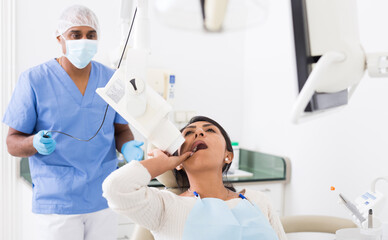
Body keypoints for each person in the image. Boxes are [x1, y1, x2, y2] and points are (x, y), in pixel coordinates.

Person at [3, 5, 144, 240]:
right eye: (75, 34)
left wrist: (128, 146)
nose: (84, 41)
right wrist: (33, 143)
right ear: (60, 39)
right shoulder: (34, 80)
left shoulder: (111, 79)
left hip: (103, 197)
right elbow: (12, 142)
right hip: (57, 203)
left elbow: (121, 130)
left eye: (91, 35)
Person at [102, 116, 287, 240]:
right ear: (179, 161)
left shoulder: (258, 201)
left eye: (210, 130)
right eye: (189, 134)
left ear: (228, 155)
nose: (199, 133)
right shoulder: (166, 208)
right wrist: (162, 163)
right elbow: (115, 189)